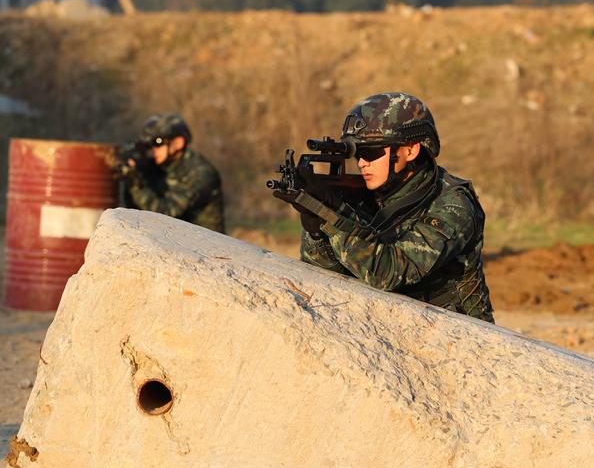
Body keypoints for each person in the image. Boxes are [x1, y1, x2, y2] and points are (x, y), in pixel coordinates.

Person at [277, 92, 494, 322]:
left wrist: (335, 220)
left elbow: (390, 272)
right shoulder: (373, 194)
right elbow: (328, 276)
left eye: (371, 152)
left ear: (411, 150)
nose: (362, 163)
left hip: (459, 336)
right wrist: (316, 231)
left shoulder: (452, 204)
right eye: (358, 153)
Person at [120, 113, 225, 233]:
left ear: (178, 143)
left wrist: (137, 185)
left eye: (158, 142)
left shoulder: (201, 173)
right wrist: (131, 176)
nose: (152, 150)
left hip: (205, 245)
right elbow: (135, 212)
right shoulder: (158, 166)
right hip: (171, 240)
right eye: (148, 145)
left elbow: (166, 214)